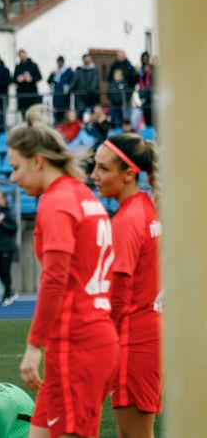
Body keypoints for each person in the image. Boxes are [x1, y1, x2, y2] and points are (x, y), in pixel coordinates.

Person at [7, 105, 119, 438]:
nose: (12, 177)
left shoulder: (56, 202)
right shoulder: (84, 196)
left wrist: (33, 346)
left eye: (16, 167)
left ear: (38, 161)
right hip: (90, 337)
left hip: (77, 342)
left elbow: (55, 280)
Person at [91, 133, 162, 437]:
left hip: (131, 343)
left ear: (129, 174)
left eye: (103, 169)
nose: (94, 175)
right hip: (146, 336)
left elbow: (118, 297)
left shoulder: (126, 221)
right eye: (94, 166)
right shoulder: (146, 208)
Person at [13, 50, 43, 118]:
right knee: (24, 114)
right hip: (22, 94)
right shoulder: (18, 67)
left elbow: (39, 77)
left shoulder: (33, 65)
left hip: (32, 93)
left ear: (26, 55)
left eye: (23, 55)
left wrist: (31, 79)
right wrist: (18, 79)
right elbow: (14, 79)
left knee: (33, 113)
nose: (22, 57)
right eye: (21, 56)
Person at [70, 54, 99, 118]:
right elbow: (74, 82)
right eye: (85, 59)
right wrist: (69, 90)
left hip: (91, 97)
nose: (87, 60)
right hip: (81, 96)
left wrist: (90, 90)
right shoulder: (79, 70)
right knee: (80, 113)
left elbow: (94, 83)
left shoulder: (95, 70)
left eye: (88, 58)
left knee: (92, 114)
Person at [47, 56, 74, 124]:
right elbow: (49, 81)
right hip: (56, 97)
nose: (59, 63)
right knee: (56, 115)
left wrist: (68, 89)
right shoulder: (55, 71)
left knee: (65, 115)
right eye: (58, 62)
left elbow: (73, 82)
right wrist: (52, 74)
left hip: (65, 98)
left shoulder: (68, 71)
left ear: (62, 62)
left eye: (60, 62)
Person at [137, 52, 154, 128]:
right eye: (144, 58)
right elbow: (137, 81)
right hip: (143, 94)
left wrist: (150, 73)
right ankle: (148, 127)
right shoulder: (140, 69)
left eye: (146, 58)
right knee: (145, 114)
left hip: (151, 94)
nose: (145, 60)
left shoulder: (152, 68)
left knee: (152, 114)